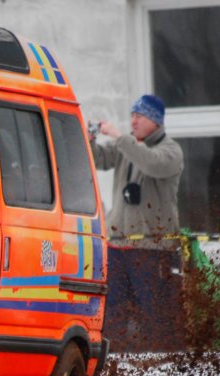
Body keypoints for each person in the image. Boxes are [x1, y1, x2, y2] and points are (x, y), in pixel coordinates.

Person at [90, 94, 185, 351]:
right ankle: (115, 364)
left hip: (152, 249)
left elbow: (151, 163)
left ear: (155, 121)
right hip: (119, 245)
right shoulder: (127, 147)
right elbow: (97, 159)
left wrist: (120, 138)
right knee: (114, 312)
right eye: (132, 115)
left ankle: (162, 364)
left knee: (155, 313)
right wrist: (87, 139)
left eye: (139, 116)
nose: (133, 121)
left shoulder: (170, 151)